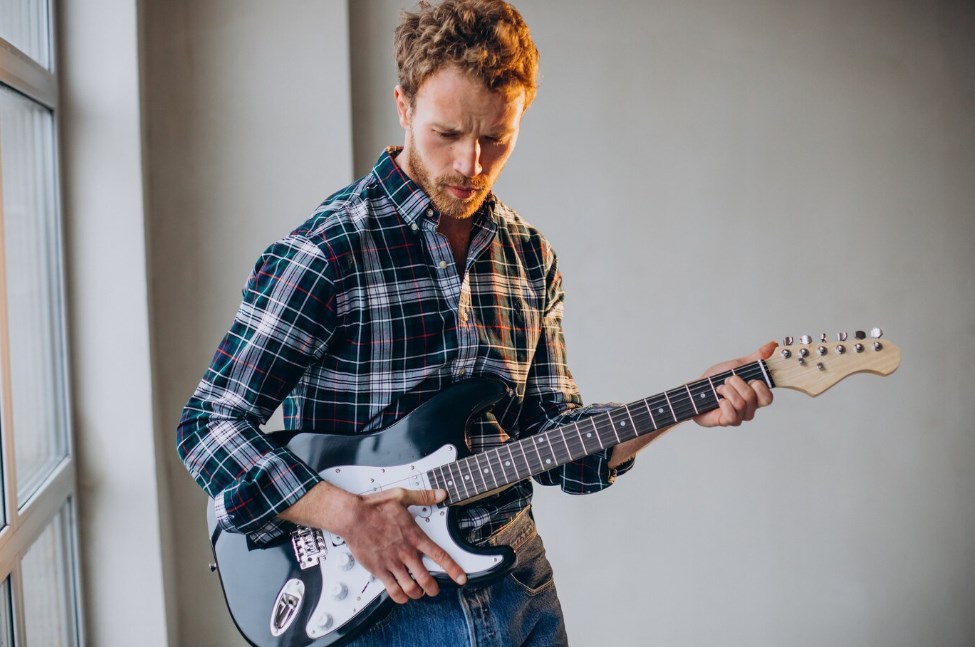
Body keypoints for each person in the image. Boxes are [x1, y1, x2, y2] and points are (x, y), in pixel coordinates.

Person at [176, 1, 774, 644]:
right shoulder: (328, 252)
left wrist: (687, 405)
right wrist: (347, 515)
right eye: (447, 134)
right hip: (382, 601)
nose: (471, 164)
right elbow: (208, 427)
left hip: (516, 584)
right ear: (403, 106)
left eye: (495, 138)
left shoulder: (528, 255)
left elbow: (557, 446)